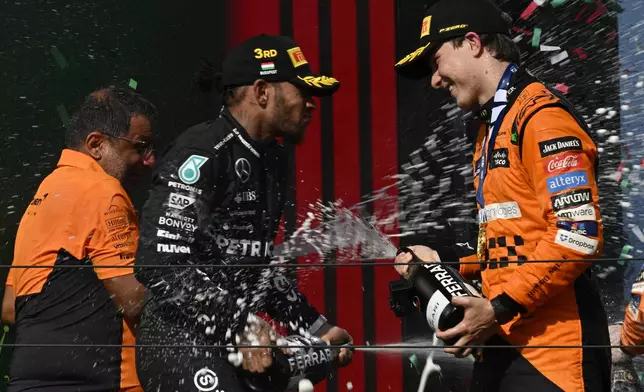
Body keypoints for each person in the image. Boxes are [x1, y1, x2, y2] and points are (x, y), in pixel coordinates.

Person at [392, 0, 610, 391]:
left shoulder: (541, 117)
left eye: (436, 62)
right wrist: (444, 261)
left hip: (556, 358)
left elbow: (578, 235)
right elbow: (510, 239)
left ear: (473, 42)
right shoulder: (490, 126)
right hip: (504, 347)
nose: (435, 80)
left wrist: (497, 309)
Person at [134, 34, 353, 392]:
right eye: (301, 91)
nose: (311, 104)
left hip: (237, 344)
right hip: (179, 344)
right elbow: (157, 263)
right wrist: (241, 326)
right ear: (262, 92)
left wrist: (316, 327)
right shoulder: (202, 151)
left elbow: (254, 266)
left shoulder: (273, 159)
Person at [6, 87, 157, 392]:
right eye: (141, 147)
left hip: (29, 381)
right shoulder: (102, 190)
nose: (149, 160)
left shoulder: (47, 191)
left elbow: (11, 308)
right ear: (96, 144)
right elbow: (134, 301)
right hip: (99, 381)